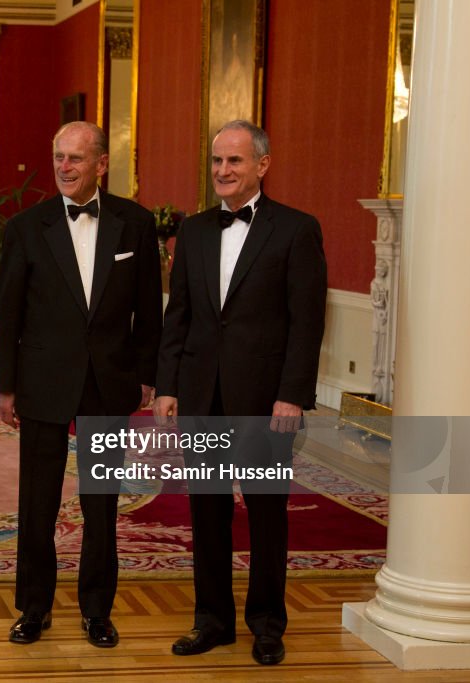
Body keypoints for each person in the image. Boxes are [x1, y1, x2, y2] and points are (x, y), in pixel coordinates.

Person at [154, 120, 327, 666]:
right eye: (216, 162)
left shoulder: (297, 230)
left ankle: (267, 624)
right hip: (203, 396)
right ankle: (212, 621)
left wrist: (292, 394)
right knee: (206, 514)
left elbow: (306, 323)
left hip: (265, 402)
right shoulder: (197, 231)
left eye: (234, 162)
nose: (223, 172)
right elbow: (177, 315)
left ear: (262, 165)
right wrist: (167, 387)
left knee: (267, 514)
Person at [0, 121, 162, 648]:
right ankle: (34, 607)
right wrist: (4, 384)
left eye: (75, 159)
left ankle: (97, 610)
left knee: (101, 503)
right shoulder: (25, 227)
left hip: (108, 383)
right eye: (58, 157)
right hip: (41, 381)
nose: (63, 167)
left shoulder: (135, 223)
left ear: (101, 164)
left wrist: (149, 377)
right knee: (37, 503)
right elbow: (11, 314)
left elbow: (149, 311)